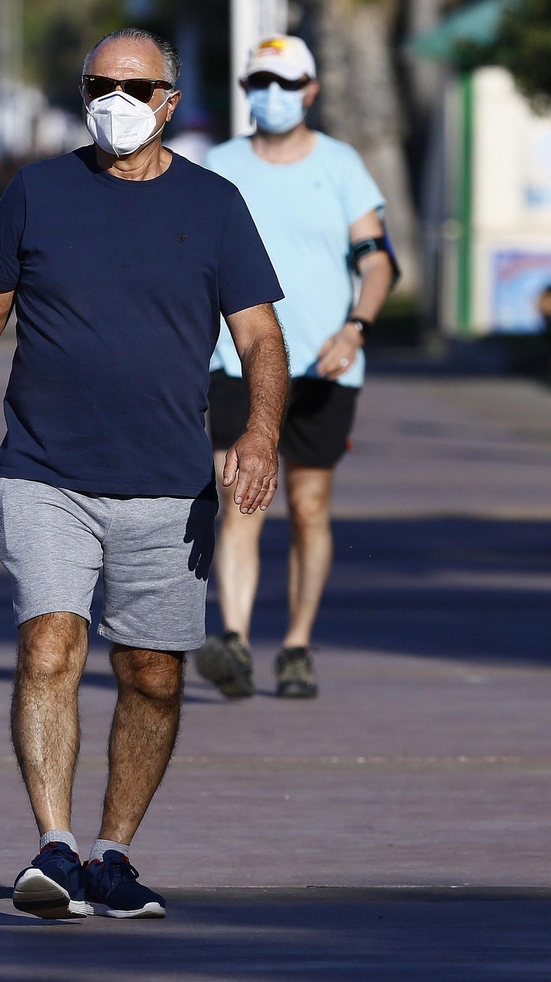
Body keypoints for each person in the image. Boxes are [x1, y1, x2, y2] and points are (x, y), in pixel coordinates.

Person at [0, 28, 287, 920]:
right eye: (97, 83)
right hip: (46, 469)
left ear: (167, 100)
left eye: (133, 85)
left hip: (167, 479)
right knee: (50, 646)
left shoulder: (216, 203)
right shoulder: (40, 190)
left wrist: (261, 434)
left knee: (152, 673)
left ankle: (112, 852)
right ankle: (53, 846)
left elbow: (261, 336)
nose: (113, 99)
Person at [195, 35, 394, 701]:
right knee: (240, 499)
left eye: (285, 83)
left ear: (311, 89)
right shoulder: (218, 167)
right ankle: (235, 639)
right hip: (238, 359)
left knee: (308, 505)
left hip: (322, 365)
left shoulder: (341, 167)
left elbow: (377, 260)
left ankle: (299, 643)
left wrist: (356, 328)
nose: (271, 96)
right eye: (259, 82)